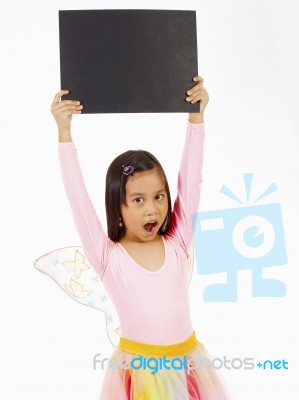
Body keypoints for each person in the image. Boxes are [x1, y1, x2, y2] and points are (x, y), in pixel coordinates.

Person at [41, 76, 230, 399]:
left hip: (188, 369)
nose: (152, 210)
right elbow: (78, 199)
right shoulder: (108, 255)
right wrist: (64, 133)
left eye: (159, 197)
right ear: (118, 207)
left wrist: (196, 119)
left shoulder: (177, 241)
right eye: (138, 200)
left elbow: (191, 181)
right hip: (140, 376)